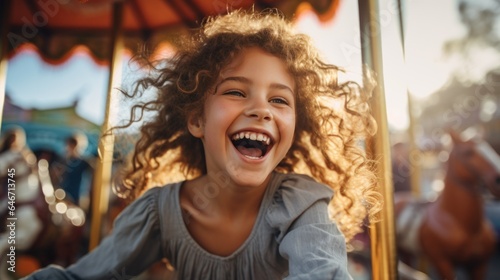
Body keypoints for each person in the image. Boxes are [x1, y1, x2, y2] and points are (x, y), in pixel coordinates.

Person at [25, 9, 381, 279]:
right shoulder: (161, 214)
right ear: (196, 119)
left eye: (279, 100)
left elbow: (323, 271)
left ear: (295, 125)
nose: (261, 109)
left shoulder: (299, 208)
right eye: (236, 92)